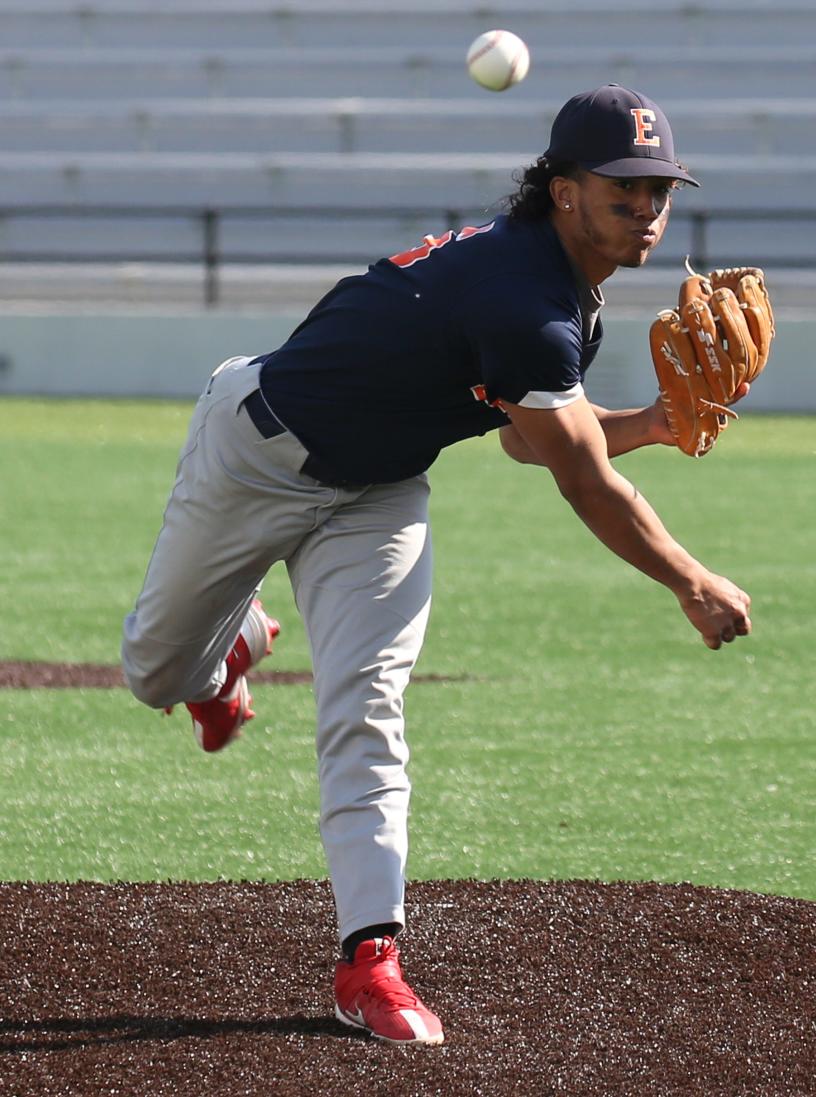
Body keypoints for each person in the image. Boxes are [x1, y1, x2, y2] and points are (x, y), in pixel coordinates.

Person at [121, 84, 751, 1047]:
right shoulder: (524, 299)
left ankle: (368, 960)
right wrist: (691, 580)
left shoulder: (567, 307)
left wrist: (653, 424)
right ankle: (230, 649)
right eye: (622, 187)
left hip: (376, 497)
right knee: (154, 672)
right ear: (563, 191)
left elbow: (522, 440)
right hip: (254, 452)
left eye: (660, 187)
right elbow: (582, 484)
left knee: (368, 704)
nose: (647, 207)